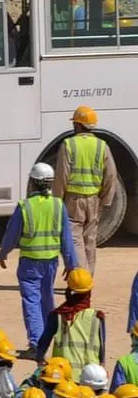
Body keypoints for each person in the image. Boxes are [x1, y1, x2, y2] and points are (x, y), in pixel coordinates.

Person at [0, 162, 78, 355]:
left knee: (31, 301)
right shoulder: (58, 205)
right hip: (51, 262)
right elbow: (67, 238)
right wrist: (71, 264)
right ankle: (49, 338)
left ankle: (36, 344)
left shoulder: (25, 206)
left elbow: (12, 234)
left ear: (33, 182)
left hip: (30, 263)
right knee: (47, 298)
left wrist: (4, 252)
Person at [52, 105, 117, 273]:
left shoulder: (69, 144)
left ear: (78, 125)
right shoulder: (102, 146)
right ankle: (88, 278)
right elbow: (111, 175)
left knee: (74, 240)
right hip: (94, 200)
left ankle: (82, 278)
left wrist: (57, 200)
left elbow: (61, 175)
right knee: (89, 241)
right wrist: (105, 200)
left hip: (73, 201)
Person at [36, 268, 105, 379]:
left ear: (69, 290)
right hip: (91, 378)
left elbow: (43, 344)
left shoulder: (58, 315)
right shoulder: (97, 317)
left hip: (63, 376)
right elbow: (102, 349)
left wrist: (41, 361)